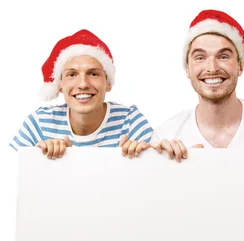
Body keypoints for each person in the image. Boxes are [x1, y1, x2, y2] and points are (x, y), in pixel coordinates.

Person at [154, 9, 244, 162]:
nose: (212, 68)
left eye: (223, 56)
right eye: (200, 57)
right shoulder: (165, 137)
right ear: (187, 68)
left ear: (240, 66)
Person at [9, 29, 164, 160]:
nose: (83, 84)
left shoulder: (129, 121)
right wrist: (36, 158)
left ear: (108, 83)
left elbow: (157, 177)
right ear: (60, 85)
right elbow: (8, 174)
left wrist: (142, 158)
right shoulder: (40, 123)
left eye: (93, 74)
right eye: (71, 75)